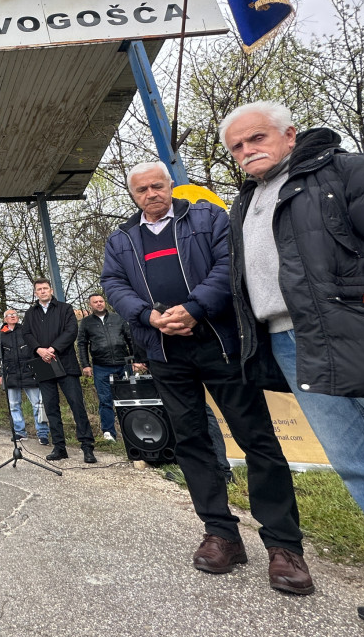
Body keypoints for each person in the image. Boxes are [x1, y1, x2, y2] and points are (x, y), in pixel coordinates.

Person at [223, 101, 364, 629]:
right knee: (358, 464)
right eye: (236, 146)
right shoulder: (246, 200)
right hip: (290, 343)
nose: (246, 151)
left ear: (289, 135)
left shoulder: (347, 171)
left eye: (255, 138)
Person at [101, 161, 312, 595]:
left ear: (171, 186)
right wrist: (148, 316)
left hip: (218, 342)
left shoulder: (207, 218)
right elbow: (113, 283)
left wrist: (194, 307)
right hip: (163, 350)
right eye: (141, 189)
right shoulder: (121, 239)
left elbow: (227, 266)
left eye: (158, 185)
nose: (151, 194)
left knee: (256, 438)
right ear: (133, 194)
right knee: (191, 440)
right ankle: (222, 535)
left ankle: (284, 547)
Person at [21, 279, 95, 463]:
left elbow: (71, 331)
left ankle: (87, 447)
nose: (43, 291)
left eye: (45, 288)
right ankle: (59, 447)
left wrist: (53, 349)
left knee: (77, 405)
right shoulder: (30, 313)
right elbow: (26, 334)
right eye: (39, 289)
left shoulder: (64, 308)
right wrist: (39, 349)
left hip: (65, 363)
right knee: (51, 408)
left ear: (51, 290)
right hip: (43, 364)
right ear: (35, 292)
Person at [77, 293, 134, 442]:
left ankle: (131, 430)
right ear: (90, 305)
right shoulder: (86, 323)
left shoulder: (118, 318)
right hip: (101, 366)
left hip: (123, 364)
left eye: (101, 301)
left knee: (128, 399)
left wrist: (135, 360)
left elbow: (130, 339)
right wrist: (86, 365)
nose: (99, 304)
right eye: (95, 302)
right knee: (105, 400)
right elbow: (82, 344)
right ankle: (109, 432)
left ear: (105, 302)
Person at [0, 308, 49, 444]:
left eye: (15, 314)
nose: (13, 316)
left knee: (38, 404)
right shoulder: (2, 335)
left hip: (29, 372)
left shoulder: (26, 331)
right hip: (11, 374)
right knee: (14, 405)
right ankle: (20, 432)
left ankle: (42, 433)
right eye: (9, 315)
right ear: (5, 319)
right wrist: (0, 374)